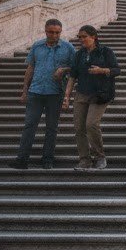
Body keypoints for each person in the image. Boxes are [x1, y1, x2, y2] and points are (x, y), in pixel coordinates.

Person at [9, 19, 77, 170]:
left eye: (57, 32)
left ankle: (47, 160)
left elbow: (76, 69)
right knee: (29, 126)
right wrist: (24, 91)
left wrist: (63, 70)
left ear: (61, 31)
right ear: (45, 31)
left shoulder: (68, 48)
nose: (54, 35)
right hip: (35, 92)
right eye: (51, 32)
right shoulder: (37, 46)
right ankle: (22, 160)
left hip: (55, 93)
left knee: (51, 128)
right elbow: (30, 68)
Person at [60, 25, 121, 171]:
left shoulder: (105, 52)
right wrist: (66, 97)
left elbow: (117, 70)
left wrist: (102, 70)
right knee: (79, 128)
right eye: (80, 37)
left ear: (93, 37)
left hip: (100, 94)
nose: (81, 39)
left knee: (91, 124)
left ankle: (100, 156)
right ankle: (84, 160)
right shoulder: (79, 54)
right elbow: (73, 76)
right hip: (82, 93)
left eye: (84, 36)